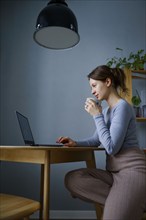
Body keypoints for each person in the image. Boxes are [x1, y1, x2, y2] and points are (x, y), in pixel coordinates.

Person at [56, 65, 146, 220]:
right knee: (72, 179)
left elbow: (111, 148)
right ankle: (134, 201)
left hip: (132, 172)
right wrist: (75, 143)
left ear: (108, 82)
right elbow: (96, 140)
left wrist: (96, 116)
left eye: (94, 85)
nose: (92, 91)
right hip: (114, 174)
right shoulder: (106, 112)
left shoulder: (122, 107)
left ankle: (134, 199)